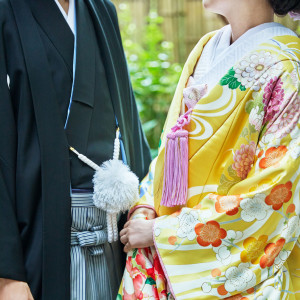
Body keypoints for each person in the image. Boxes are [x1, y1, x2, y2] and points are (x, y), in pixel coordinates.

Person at [119, 0, 300, 299]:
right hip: (169, 257)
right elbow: (171, 147)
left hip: (234, 269)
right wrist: (145, 207)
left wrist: (165, 233)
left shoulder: (288, 68)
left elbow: (272, 192)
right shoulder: (205, 48)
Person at [0, 0, 151, 299]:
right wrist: (7, 273)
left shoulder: (100, 9)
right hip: (39, 242)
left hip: (114, 237)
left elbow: (128, 120)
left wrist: (144, 208)